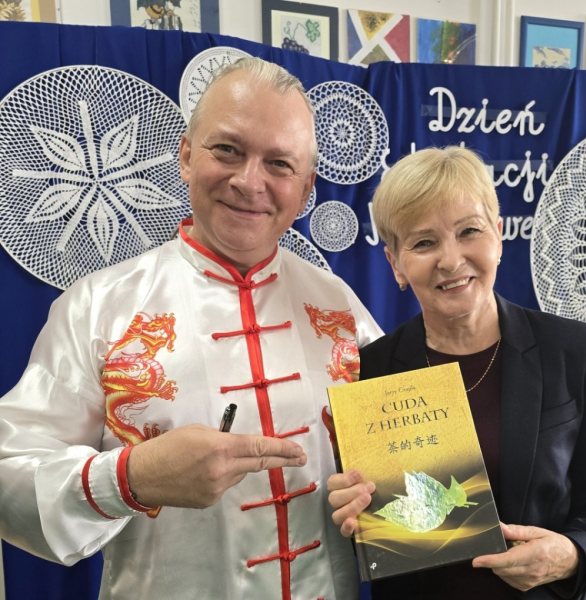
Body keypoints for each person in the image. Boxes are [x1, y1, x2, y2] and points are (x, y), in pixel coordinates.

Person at [0, 57, 382, 599]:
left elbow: (399, 465)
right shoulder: (99, 307)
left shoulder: (338, 306)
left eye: (279, 164)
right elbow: (10, 472)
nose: (249, 181)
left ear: (304, 190)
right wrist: (129, 478)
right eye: (227, 149)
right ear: (185, 155)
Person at [327, 146, 586, 599]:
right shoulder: (369, 372)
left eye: (469, 231)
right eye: (424, 243)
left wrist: (570, 554)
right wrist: (355, 510)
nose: (451, 260)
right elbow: (382, 531)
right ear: (396, 264)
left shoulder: (573, 350)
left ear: (499, 236)